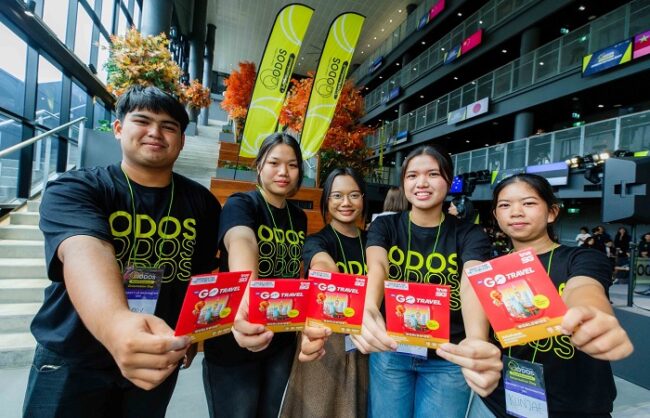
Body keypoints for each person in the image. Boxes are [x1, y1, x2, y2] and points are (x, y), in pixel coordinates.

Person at [23, 86, 221, 417]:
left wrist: (191, 331)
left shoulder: (202, 203)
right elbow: (85, 249)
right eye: (142, 121)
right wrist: (117, 326)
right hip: (73, 357)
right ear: (118, 128)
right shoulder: (77, 188)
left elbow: (198, 274)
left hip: (156, 354)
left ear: (182, 140)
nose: (155, 132)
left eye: (168, 126)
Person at [351, 145, 502, 418]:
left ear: (448, 180)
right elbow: (378, 266)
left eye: (433, 174)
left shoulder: (470, 233)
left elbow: (472, 282)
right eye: (412, 176)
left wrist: (476, 340)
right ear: (403, 183)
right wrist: (370, 307)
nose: (421, 183)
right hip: (392, 350)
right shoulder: (385, 226)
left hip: (447, 356)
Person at [467, 173, 634, 418]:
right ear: (496, 215)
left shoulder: (581, 258)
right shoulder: (490, 272)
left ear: (552, 212)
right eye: (505, 205)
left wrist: (591, 312)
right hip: (498, 403)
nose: (516, 212)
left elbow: (584, 288)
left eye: (528, 203)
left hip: (575, 408)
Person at [202, 133, 308, 418]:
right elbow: (242, 241)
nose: (283, 172)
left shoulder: (299, 217)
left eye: (292, 165)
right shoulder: (241, 204)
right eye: (274, 163)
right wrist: (248, 295)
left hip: (281, 339)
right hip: (236, 338)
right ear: (259, 165)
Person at [281, 167, 369, 418]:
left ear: (363, 198)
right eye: (337, 196)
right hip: (326, 342)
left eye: (354, 195)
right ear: (326, 200)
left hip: (364, 342)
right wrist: (329, 277)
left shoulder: (373, 241)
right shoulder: (317, 241)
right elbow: (321, 265)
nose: (346, 203)